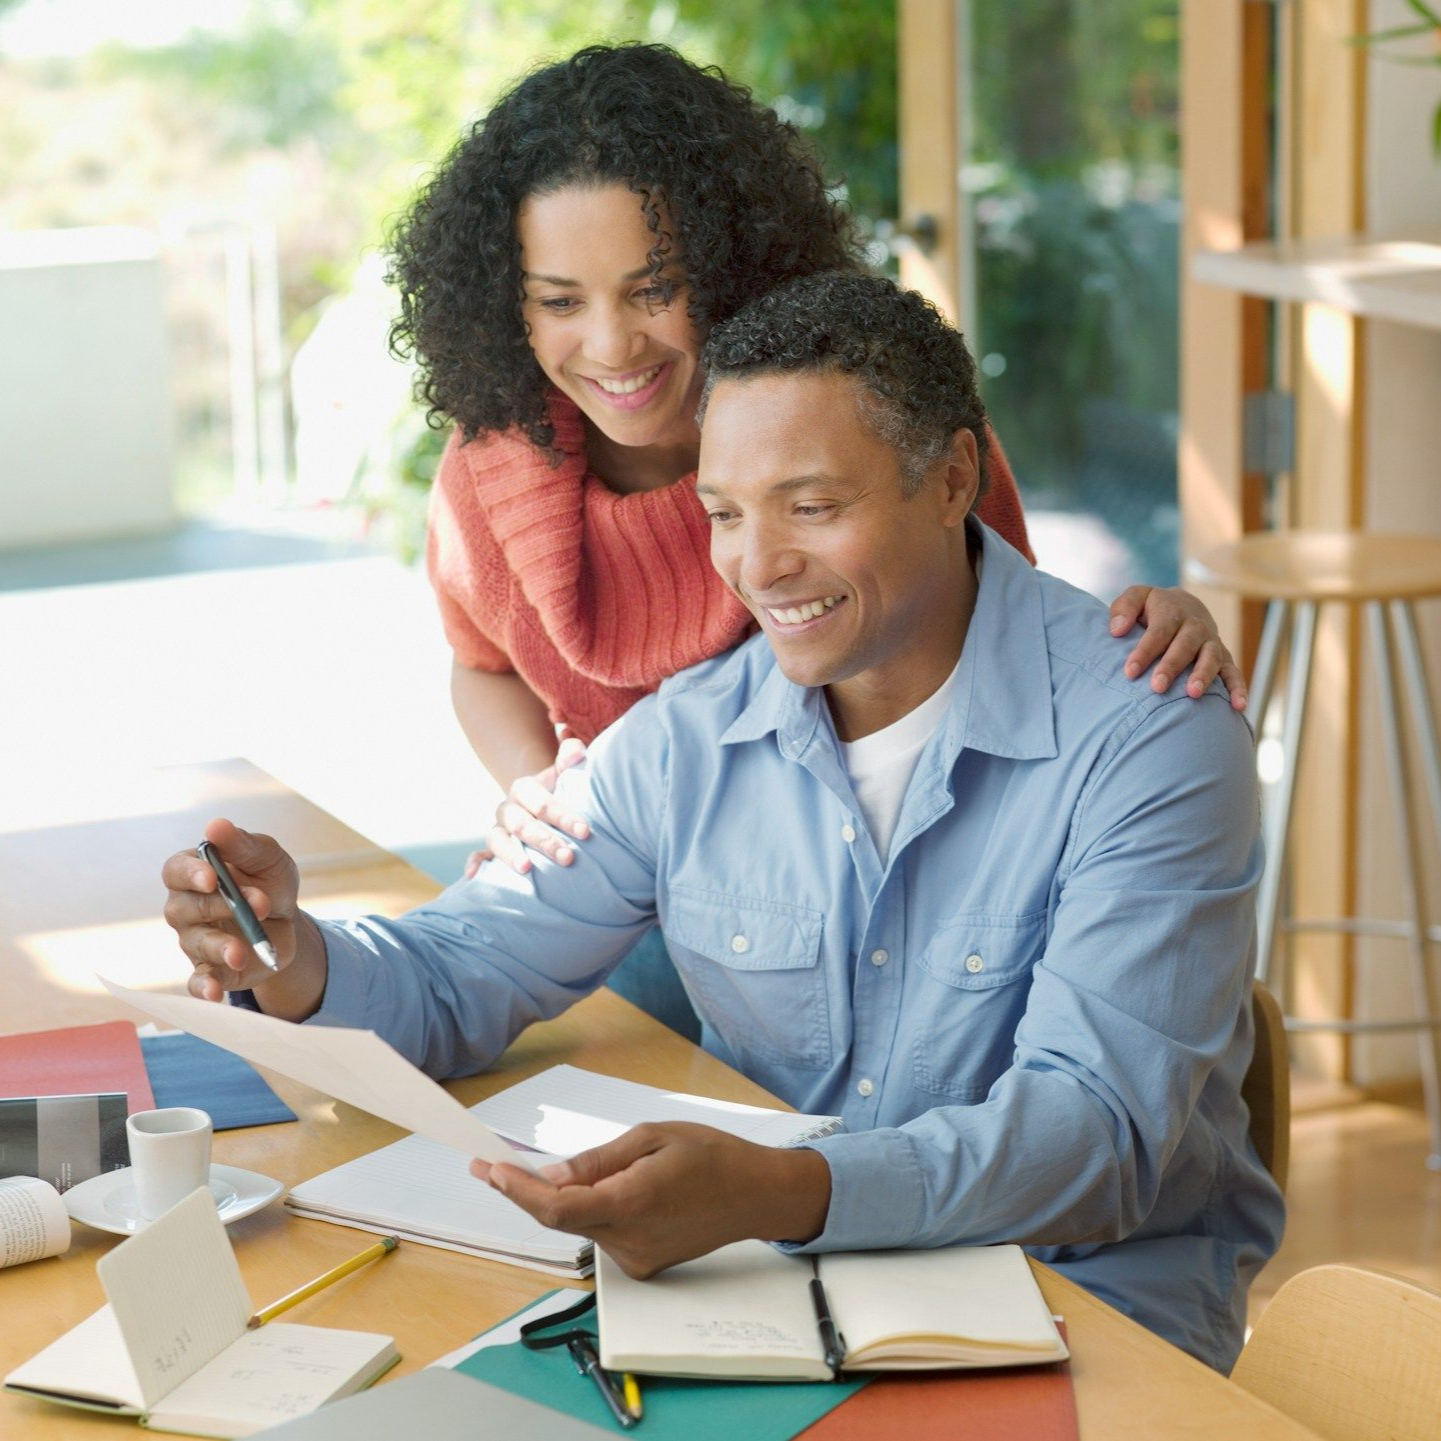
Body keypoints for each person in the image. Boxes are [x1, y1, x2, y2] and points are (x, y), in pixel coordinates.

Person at [164, 272, 1283, 1374]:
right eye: (724, 513)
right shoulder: (693, 736)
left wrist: (782, 1191)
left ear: (951, 481)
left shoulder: (1150, 737)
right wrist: (295, 953)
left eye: (812, 505)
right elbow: (462, 970)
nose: (757, 563)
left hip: (1083, 1313)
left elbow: (1093, 1139)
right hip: (780, 1300)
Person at [386, 45, 1245, 1038]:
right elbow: (479, 667)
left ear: (725, 264)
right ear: (508, 304)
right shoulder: (492, 470)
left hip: (848, 895)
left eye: (652, 288)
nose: (613, 345)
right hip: (607, 872)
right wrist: (536, 791)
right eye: (560, 300)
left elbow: (1001, 640)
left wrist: (1142, 638)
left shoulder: (857, 414)